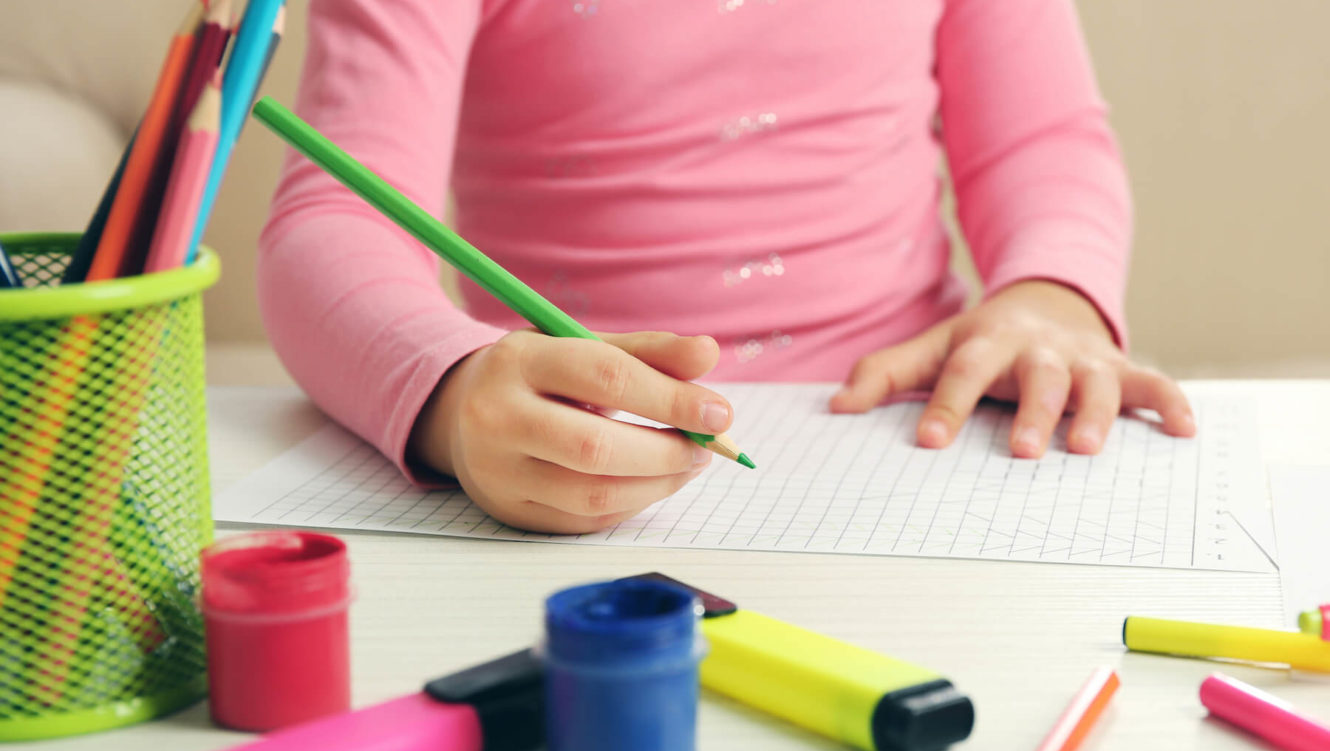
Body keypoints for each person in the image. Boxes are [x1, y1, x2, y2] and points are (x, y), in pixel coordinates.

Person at [257, 0, 1194, 535]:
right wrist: (452, 396)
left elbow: (1043, 142)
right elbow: (335, 224)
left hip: (921, 439)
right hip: (564, 455)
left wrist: (1048, 299)